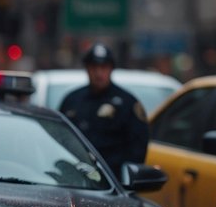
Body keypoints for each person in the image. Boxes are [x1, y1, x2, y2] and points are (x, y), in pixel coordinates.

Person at [59, 43, 149, 178]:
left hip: (112, 180)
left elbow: (137, 149)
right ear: (87, 69)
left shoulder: (127, 103)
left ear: (111, 69)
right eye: (93, 67)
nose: (98, 73)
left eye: (103, 67)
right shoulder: (72, 100)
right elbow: (59, 139)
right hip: (73, 177)